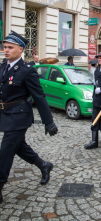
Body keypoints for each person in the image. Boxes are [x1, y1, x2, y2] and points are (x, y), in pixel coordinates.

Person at [0, 31, 58, 204]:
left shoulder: (27, 71)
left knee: (6, 149)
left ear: (20, 49)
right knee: (19, 147)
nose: (6, 50)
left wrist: (48, 121)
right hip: (5, 114)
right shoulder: (3, 67)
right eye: (4, 47)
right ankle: (44, 165)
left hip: (19, 116)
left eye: (10, 47)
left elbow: (39, 96)